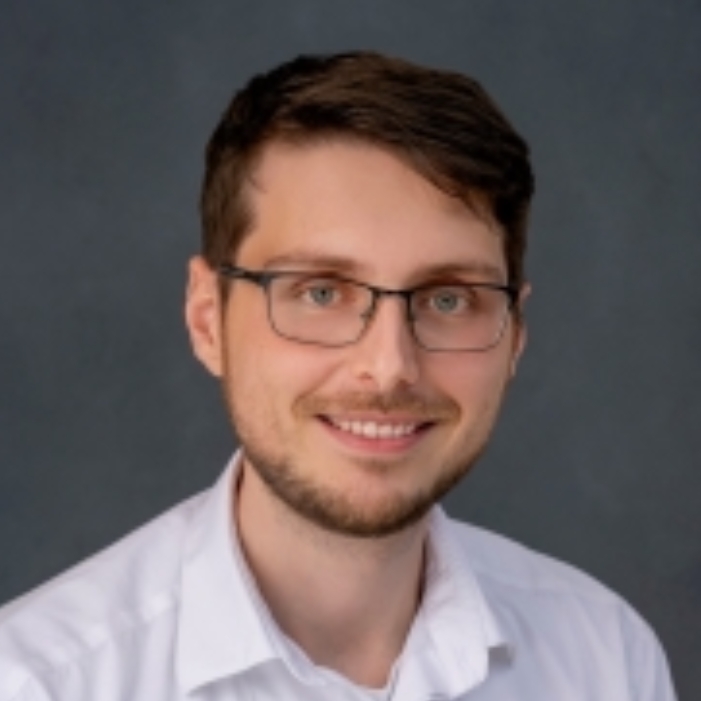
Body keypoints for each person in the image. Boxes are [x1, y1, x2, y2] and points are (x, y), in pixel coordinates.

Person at [0, 51, 676, 700]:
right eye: (320, 292)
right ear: (208, 320)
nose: (388, 367)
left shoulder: (604, 660)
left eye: (447, 300)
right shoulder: (38, 683)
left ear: (516, 335)